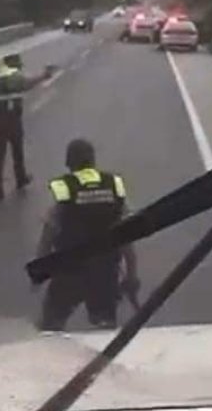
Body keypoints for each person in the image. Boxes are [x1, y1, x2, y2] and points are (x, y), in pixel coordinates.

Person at [36, 138, 140, 331]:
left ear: (69, 163)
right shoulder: (112, 189)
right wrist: (131, 275)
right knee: (105, 330)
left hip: (69, 272)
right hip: (105, 274)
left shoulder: (66, 190)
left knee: (50, 327)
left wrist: (40, 269)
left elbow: (47, 237)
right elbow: (126, 238)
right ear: (93, 161)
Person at [0, 53, 53, 201]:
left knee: (0, 152)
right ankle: (20, 178)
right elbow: (24, 83)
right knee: (17, 148)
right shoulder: (11, 74)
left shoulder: (1, 73)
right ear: (13, 63)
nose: (19, 67)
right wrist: (43, 75)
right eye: (18, 64)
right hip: (8, 118)